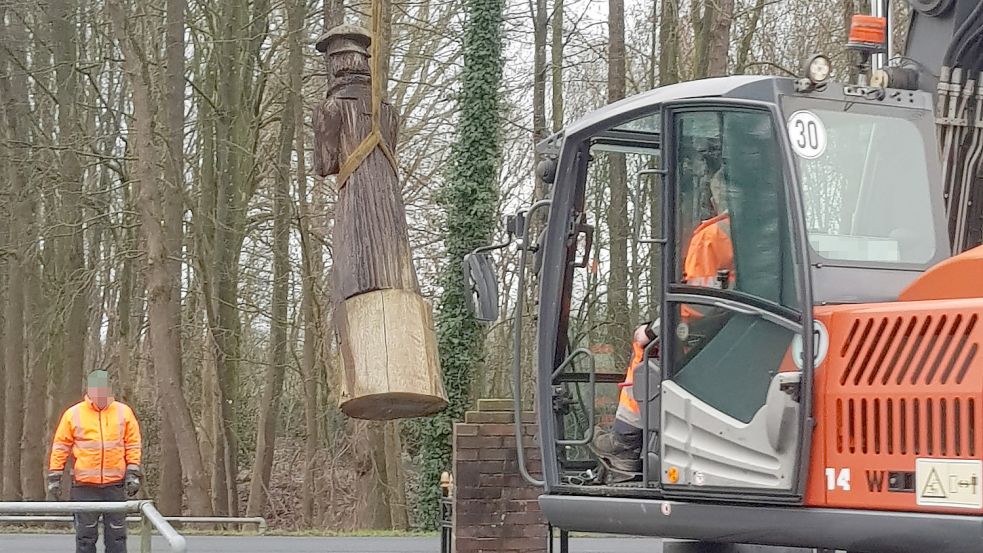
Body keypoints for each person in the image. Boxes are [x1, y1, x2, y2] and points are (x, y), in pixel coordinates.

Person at [592, 169, 734, 473]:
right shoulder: (771, 233)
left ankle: (626, 438)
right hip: (737, 332)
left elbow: (695, 305)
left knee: (645, 345)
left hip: (708, 335)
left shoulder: (713, 236)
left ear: (716, 197)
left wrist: (652, 329)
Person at [48, 370, 143, 553]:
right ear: (89, 391)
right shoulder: (73, 414)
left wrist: (133, 473)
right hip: (84, 486)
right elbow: (61, 446)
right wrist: (55, 476)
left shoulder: (124, 412)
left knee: (117, 538)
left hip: (115, 485)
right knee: (85, 537)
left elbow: (133, 444)